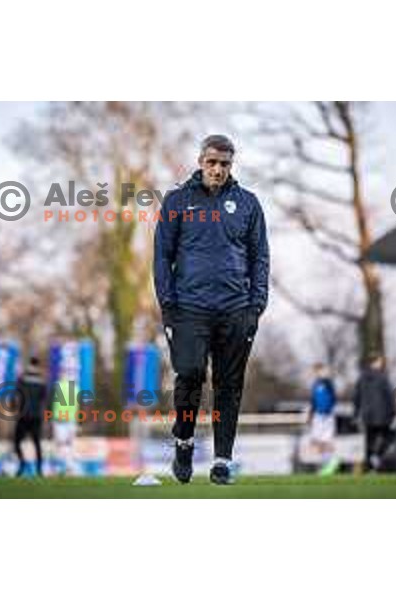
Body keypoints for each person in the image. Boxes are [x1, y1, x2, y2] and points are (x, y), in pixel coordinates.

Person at [154, 134, 269, 484]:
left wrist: (256, 305)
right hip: (188, 308)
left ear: (231, 165)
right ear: (201, 161)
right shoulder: (176, 201)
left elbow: (260, 257)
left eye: (225, 164)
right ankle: (184, 441)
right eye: (212, 163)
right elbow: (162, 255)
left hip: (236, 309)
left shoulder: (248, 204)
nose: (218, 169)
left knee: (229, 384)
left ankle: (222, 460)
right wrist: (168, 304)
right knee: (189, 374)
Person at [352, 355, 394, 472]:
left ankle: (370, 465)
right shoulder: (382, 377)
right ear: (375, 362)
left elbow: (356, 397)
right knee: (389, 436)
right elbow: (390, 396)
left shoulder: (361, 378)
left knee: (369, 441)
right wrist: (394, 412)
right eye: (380, 362)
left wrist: (355, 414)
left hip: (367, 416)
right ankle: (377, 455)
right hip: (382, 415)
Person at [14, 357, 47, 477]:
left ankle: (22, 463)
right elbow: (44, 398)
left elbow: (16, 395)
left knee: (17, 442)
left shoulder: (22, 379)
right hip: (36, 415)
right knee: (37, 443)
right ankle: (39, 470)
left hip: (23, 414)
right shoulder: (42, 381)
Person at [309, 363, 340, 476]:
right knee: (317, 441)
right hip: (318, 415)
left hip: (326, 416)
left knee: (326, 440)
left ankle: (332, 461)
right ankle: (326, 464)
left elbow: (334, 398)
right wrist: (311, 414)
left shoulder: (327, 383)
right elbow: (313, 401)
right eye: (316, 371)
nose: (318, 373)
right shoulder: (315, 384)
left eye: (320, 371)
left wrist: (328, 410)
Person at [51, 377, 78, 475]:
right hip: (71, 419)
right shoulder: (74, 388)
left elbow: (52, 402)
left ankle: (59, 467)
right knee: (69, 445)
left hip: (59, 419)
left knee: (60, 444)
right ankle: (69, 467)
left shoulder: (58, 386)